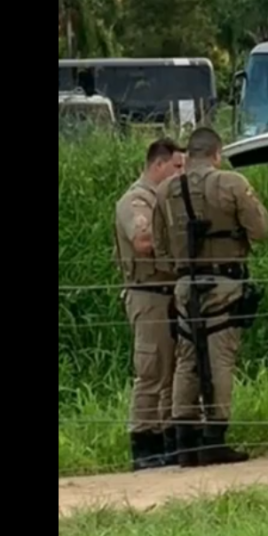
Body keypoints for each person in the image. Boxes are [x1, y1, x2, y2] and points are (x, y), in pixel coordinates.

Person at [152, 127, 268, 467]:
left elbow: (160, 249)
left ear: (188, 155)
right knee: (220, 355)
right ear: (216, 154)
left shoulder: (164, 191)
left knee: (187, 358)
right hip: (224, 281)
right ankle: (214, 438)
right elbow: (261, 230)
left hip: (185, 284)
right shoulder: (231, 184)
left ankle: (183, 442)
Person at [113, 138, 185, 471]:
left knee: (171, 370)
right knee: (151, 368)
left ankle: (166, 438)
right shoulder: (137, 200)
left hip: (168, 293)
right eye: (176, 167)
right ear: (159, 165)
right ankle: (144, 441)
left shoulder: (165, 200)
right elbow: (142, 241)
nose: (180, 173)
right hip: (148, 293)